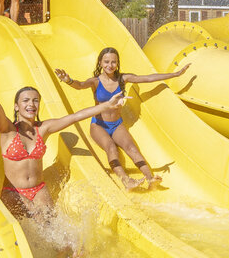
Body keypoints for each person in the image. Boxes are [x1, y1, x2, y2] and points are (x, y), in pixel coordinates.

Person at [0, 62, 126, 258]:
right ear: (16, 106)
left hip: (39, 189)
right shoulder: (7, 130)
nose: (31, 104)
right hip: (13, 191)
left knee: (56, 231)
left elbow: (75, 117)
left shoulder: (43, 129)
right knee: (23, 229)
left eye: (35, 100)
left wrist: (107, 105)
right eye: (26, 101)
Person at [56, 47, 190, 190]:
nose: (110, 65)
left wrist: (175, 74)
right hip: (99, 125)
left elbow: (147, 78)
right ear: (100, 62)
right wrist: (68, 80)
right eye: (106, 61)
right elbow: (80, 85)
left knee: (131, 148)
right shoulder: (95, 81)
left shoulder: (122, 79)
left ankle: (151, 178)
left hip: (116, 124)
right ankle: (126, 180)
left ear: (117, 63)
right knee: (111, 148)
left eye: (114, 62)